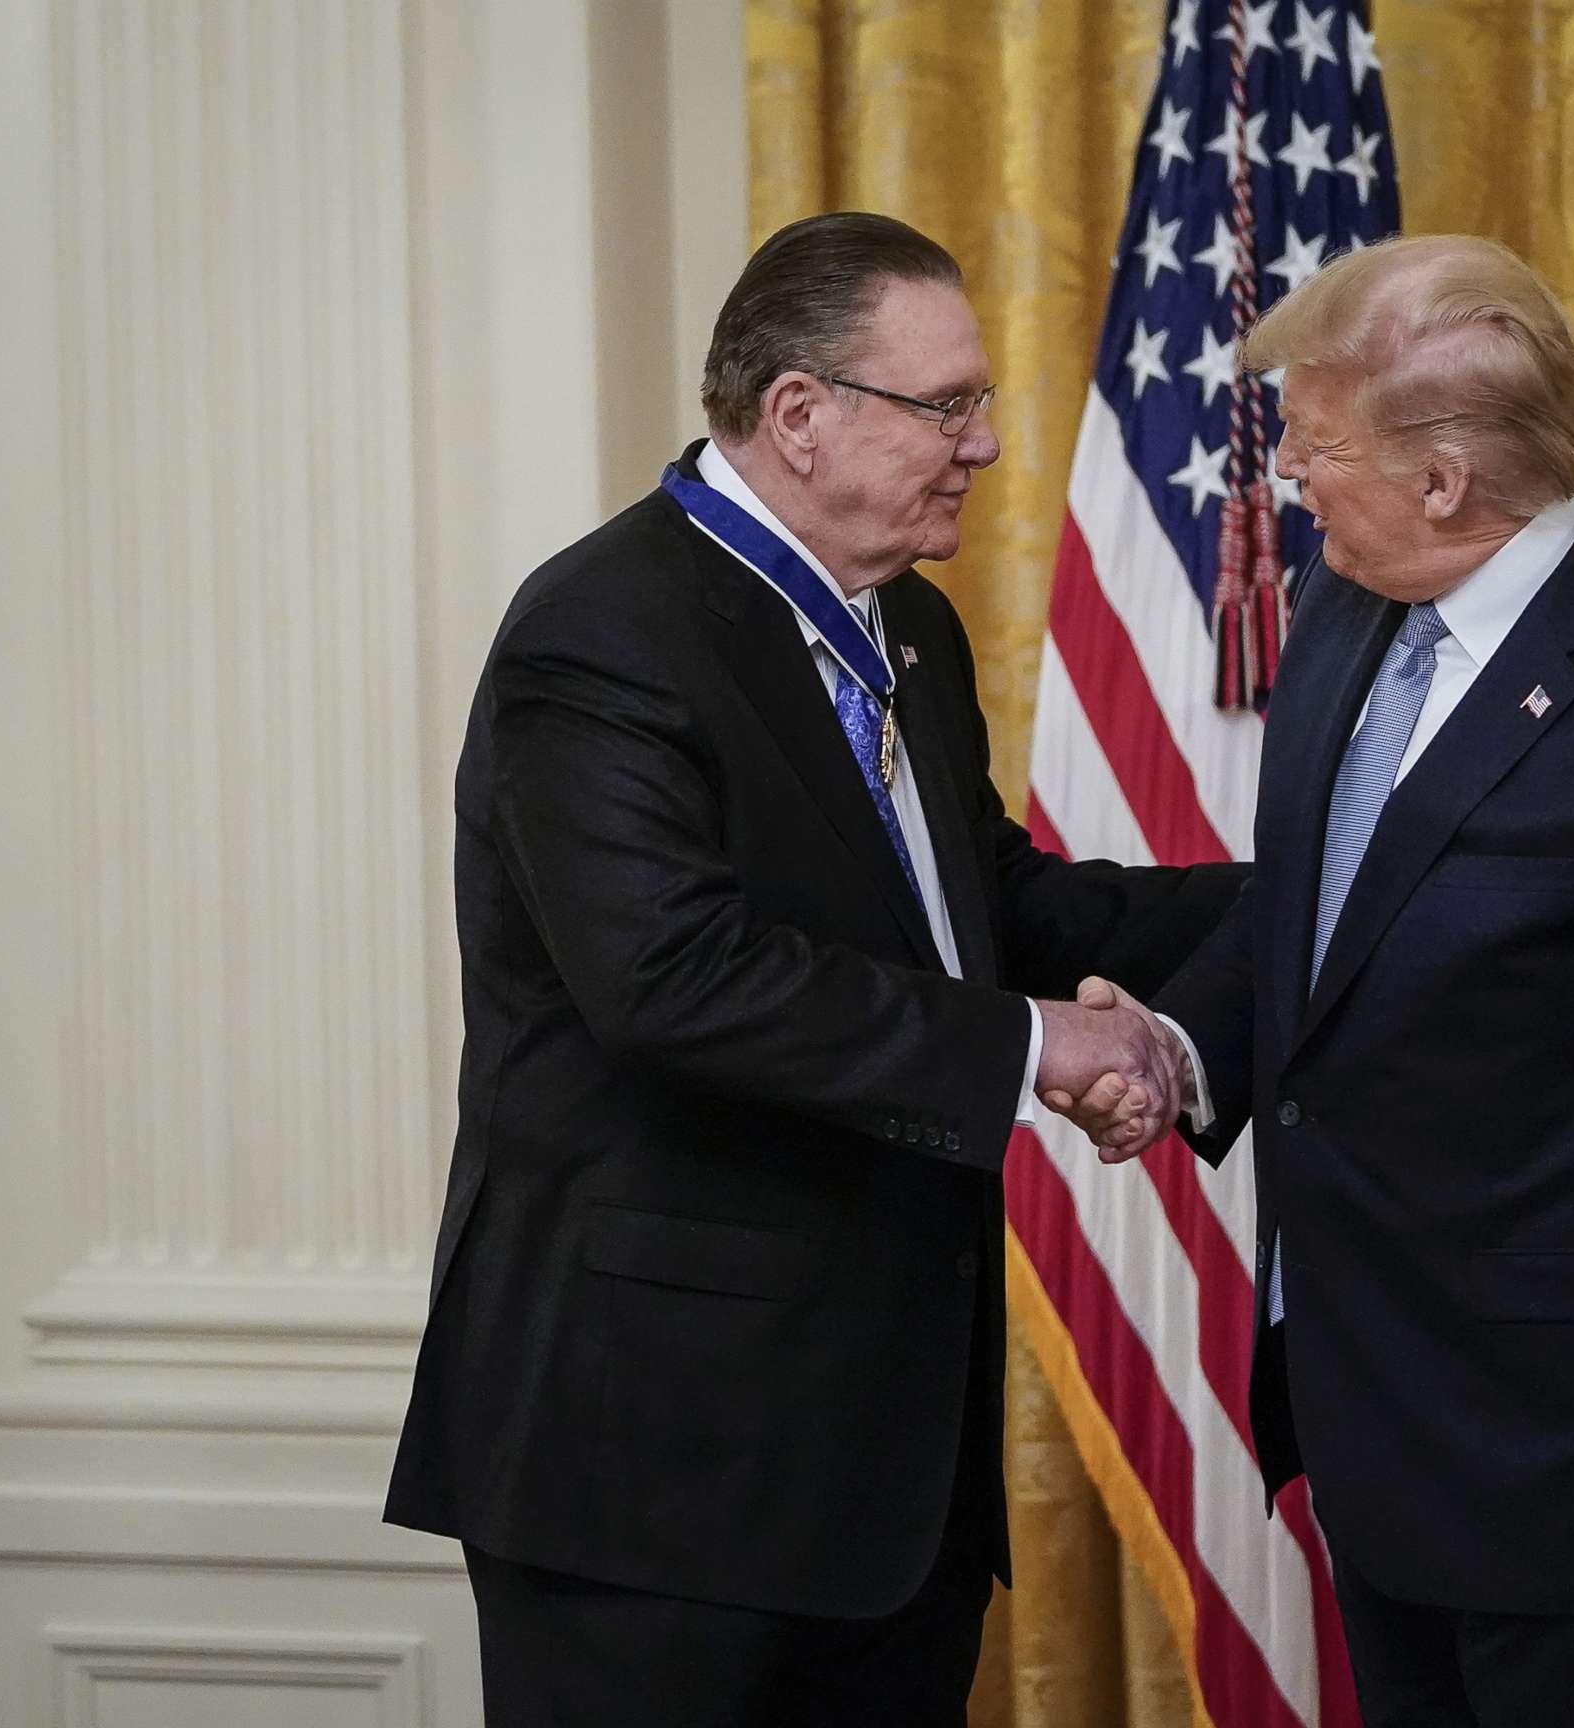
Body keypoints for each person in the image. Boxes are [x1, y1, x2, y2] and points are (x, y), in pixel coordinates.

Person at [386, 211, 1226, 1728]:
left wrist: (1301, 924)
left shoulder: (903, 625)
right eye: (948, 403)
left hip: (877, 1482)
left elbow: (988, 903)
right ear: (799, 415)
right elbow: (673, 978)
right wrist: (1037, 1049)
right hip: (655, 1478)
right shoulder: (601, 632)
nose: (981, 444)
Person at [1051, 234, 1574, 1727]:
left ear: (1444, 481)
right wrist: (1185, 1050)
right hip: (1378, 1443)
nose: (1288, 484)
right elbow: (1321, 910)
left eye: (1312, 446)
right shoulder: (1353, 604)